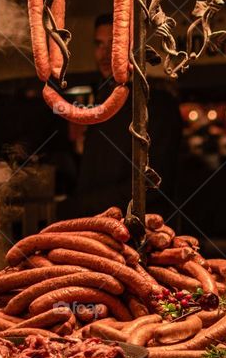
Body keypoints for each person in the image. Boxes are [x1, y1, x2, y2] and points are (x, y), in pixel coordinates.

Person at [70, 13, 182, 218]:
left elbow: (155, 183)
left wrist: (83, 204)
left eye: (112, 45)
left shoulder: (158, 103)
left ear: (133, 48)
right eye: (99, 45)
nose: (104, 55)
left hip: (144, 226)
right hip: (95, 224)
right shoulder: (101, 98)